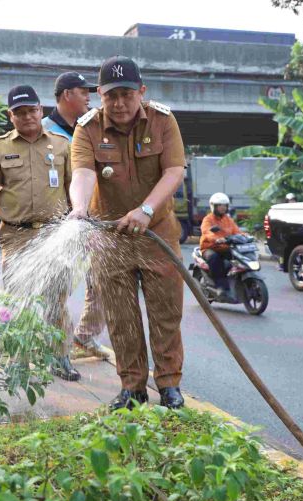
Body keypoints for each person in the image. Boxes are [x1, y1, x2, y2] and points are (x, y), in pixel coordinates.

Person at [69, 56, 187, 410]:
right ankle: (132, 388)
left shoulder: (164, 121)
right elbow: (83, 174)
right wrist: (79, 209)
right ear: (100, 94)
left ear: (142, 92)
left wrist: (147, 210)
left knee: (165, 313)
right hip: (111, 238)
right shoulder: (87, 127)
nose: (119, 104)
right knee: (121, 318)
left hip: (158, 235)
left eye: (126, 94)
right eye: (110, 96)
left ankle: (168, 385)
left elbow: (174, 171)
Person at [0, 84, 80, 382]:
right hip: (16, 236)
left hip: (55, 234)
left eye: (31, 111)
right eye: (19, 113)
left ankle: (60, 358)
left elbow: (74, 190)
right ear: (11, 116)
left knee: (56, 300)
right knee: (18, 301)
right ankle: (19, 362)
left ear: (41, 110)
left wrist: (78, 233)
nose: (27, 117)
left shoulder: (62, 145)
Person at [42, 72, 109, 360]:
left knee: (104, 280)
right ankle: (56, 347)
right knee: (58, 288)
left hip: (94, 221)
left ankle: (86, 335)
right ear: (67, 94)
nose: (89, 97)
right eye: (84, 92)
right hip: (63, 225)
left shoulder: (92, 128)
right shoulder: (44, 131)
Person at [199, 193, 244, 296]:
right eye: (220, 205)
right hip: (210, 248)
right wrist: (216, 239)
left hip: (225, 247)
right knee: (214, 258)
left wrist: (246, 237)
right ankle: (220, 286)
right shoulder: (208, 219)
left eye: (225, 205)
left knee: (239, 256)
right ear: (213, 206)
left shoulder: (228, 220)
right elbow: (207, 232)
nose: (223, 207)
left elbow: (237, 232)